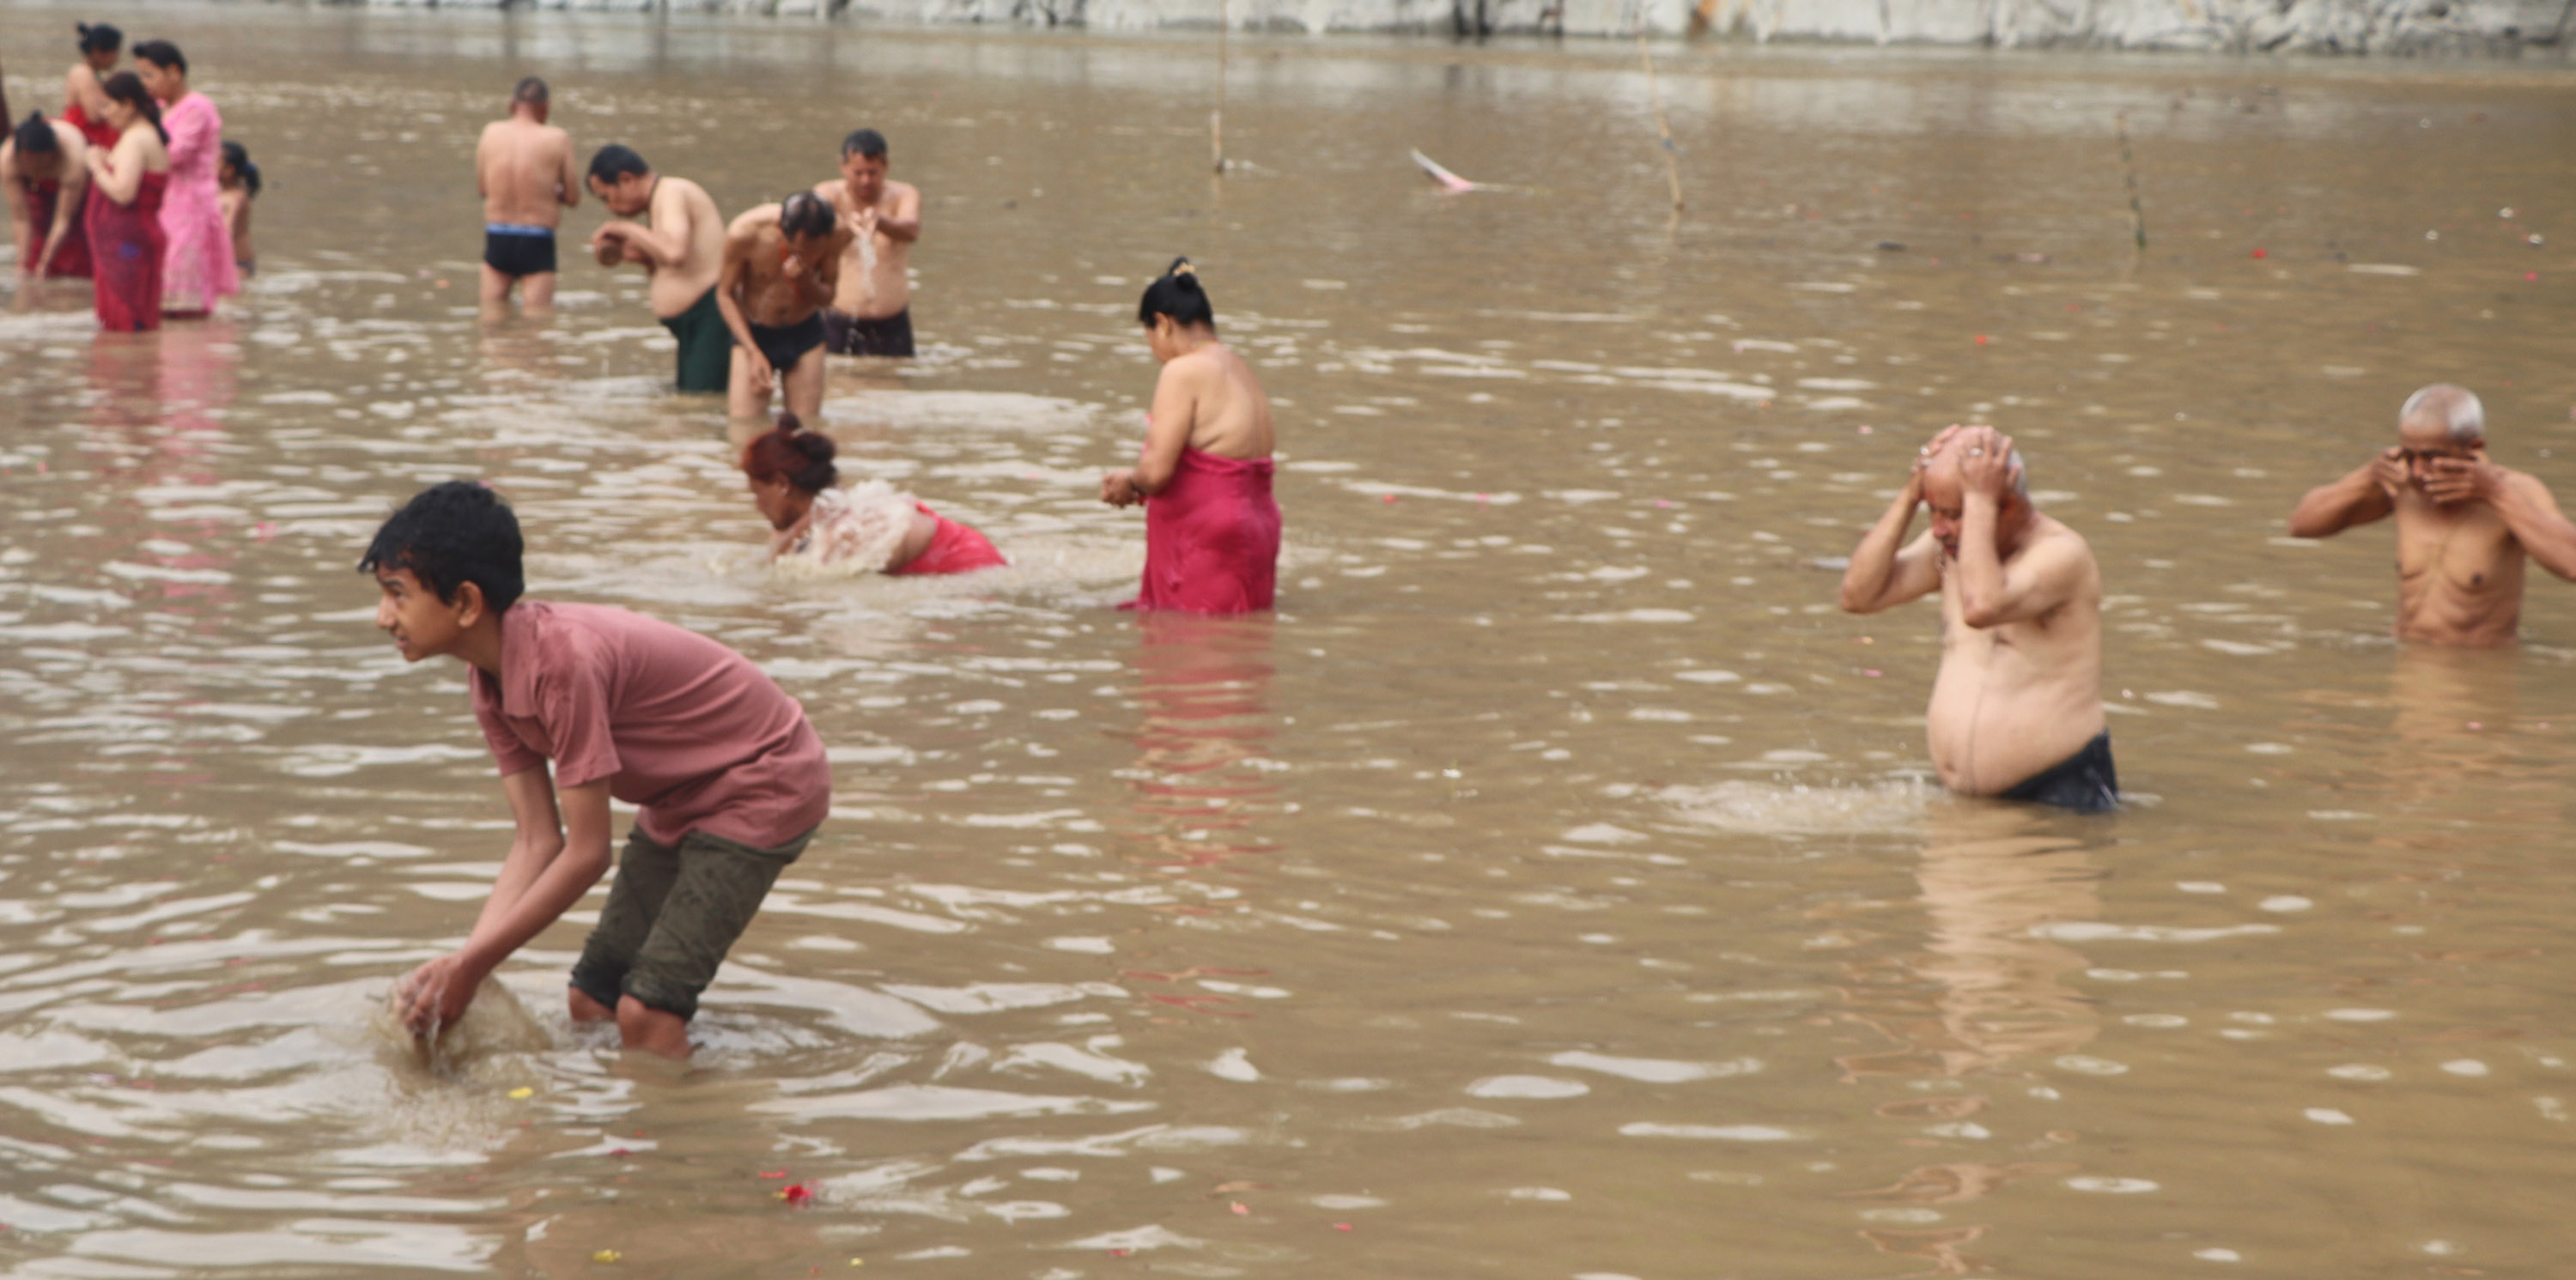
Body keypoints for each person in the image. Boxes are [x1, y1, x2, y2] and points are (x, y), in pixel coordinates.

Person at [363, 481, 830, 1059]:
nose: (383, 617)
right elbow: (537, 839)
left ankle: (691, 1143)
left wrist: (471, 965)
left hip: (765, 777)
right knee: (592, 998)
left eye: (397, 594)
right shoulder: (487, 680)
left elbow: (587, 853)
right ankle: (622, 1119)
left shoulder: (562, 662)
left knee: (648, 1010)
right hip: (679, 795)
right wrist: (465, 966)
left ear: (464, 602)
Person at [1838, 425, 2113, 812]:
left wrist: (1981, 499)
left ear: (2009, 504)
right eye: (1932, 511)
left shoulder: (2062, 554)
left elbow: (1983, 606)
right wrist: (1908, 496)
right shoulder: (1949, 550)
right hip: (1968, 810)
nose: (1937, 529)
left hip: (2055, 800)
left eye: (1952, 514)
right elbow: (1858, 596)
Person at [2287, 383, 2576, 647]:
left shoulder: (2514, 491)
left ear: (2474, 448)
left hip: (2474, 677)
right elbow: (2301, 525)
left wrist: (2495, 494)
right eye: (2409, 455)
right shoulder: (2403, 488)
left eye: (2431, 457)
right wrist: (2366, 477)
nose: (2418, 471)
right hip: (2406, 665)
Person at [1100, 258, 1281, 615]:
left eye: (1149, 336)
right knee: (1241, 650)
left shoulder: (1183, 370)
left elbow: (1156, 473)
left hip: (1212, 536)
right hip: (1258, 529)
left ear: (1164, 325)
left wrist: (1128, 483)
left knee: (1190, 653)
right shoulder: (1237, 366)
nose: (1153, 350)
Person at [744, 414, 1007, 577]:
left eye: (758, 493)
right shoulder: (828, 515)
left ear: (782, 484)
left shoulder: (846, 530)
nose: (757, 505)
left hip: (975, 578)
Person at [585, 144, 726, 394]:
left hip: (711, 317)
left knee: (701, 403)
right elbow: (673, 265)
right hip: (696, 321)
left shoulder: (671, 192)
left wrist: (625, 229)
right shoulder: (660, 200)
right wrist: (633, 255)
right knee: (692, 405)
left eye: (607, 197)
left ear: (626, 179)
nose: (609, 207)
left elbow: (674, 252)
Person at [714, 192, 848, 422]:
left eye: (815, 251)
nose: (807, 256)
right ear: (779, 228)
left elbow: (828, 298)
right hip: (754, 333)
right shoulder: (744, 233)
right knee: (744, 426)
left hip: (804, 331)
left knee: (806, 428)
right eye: (799, 249)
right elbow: (725, 294)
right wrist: (752, 351)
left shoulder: (838, 233)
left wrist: (806, 283)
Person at [131, 40, 234, 318]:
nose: (145, 83)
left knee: (185, 294)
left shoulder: (197, 107)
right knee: (162, 284)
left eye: (149, 75)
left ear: (174, 72)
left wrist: (139, 151)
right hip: (165, 204)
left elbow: (175, 155)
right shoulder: (162, 107)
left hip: (190, 206)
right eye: (141, 75)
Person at [812, 129, 920, 358]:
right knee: (838, 388)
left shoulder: (903, 194)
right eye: (858, 172)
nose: (866, 180)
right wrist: (845, 228)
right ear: (843, 166)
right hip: (840, 319)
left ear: (886, 166)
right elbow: (811, 239)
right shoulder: (827, 195)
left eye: (873, 173)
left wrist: (881, 222)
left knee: (894, 389)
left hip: (892, 321)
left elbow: (912, 230)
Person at [474, 77, 578, 309]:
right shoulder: (558, 138)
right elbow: (572, 197)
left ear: (511, 104)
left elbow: (483, 189)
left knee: (491, 323)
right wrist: (548, 192)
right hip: (537, 239)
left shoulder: (490, 133)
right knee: (537, 325)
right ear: (546, 107)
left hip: (497, 236)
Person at [81, 71, 167, 334]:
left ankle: (130, 373)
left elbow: (123, 193)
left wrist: (96, 167)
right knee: (128, 320)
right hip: (125, 242)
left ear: (129, 105)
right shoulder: (138, 136)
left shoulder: (137, 139)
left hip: (128, 243)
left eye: (108, 105)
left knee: (129, 321)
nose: (104, 114)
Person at [3, 112, 92, 278]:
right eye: (29, 165)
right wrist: (22, 265)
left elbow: (63, 219)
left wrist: (45, 263)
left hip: (76, 187)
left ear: (52, 155)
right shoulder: (7, 160)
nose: (36, 170)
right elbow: (21, 218)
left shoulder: (72, 157)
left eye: (40, 164)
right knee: (30, 260)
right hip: (38, 191)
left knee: (76, 247)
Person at [60, 23, 123, 150]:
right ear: (99, 51)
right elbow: (94, 116)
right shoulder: (84, 73)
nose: (116, 59)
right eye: (115, 52)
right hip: (83, 139)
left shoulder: (90, 73)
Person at [217, 140, 258, 277]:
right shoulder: (239, 192)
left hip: (237, 266)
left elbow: (226, 230)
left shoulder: (234, 198)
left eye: (215, 162)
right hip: (243, 262)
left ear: (230, 170)